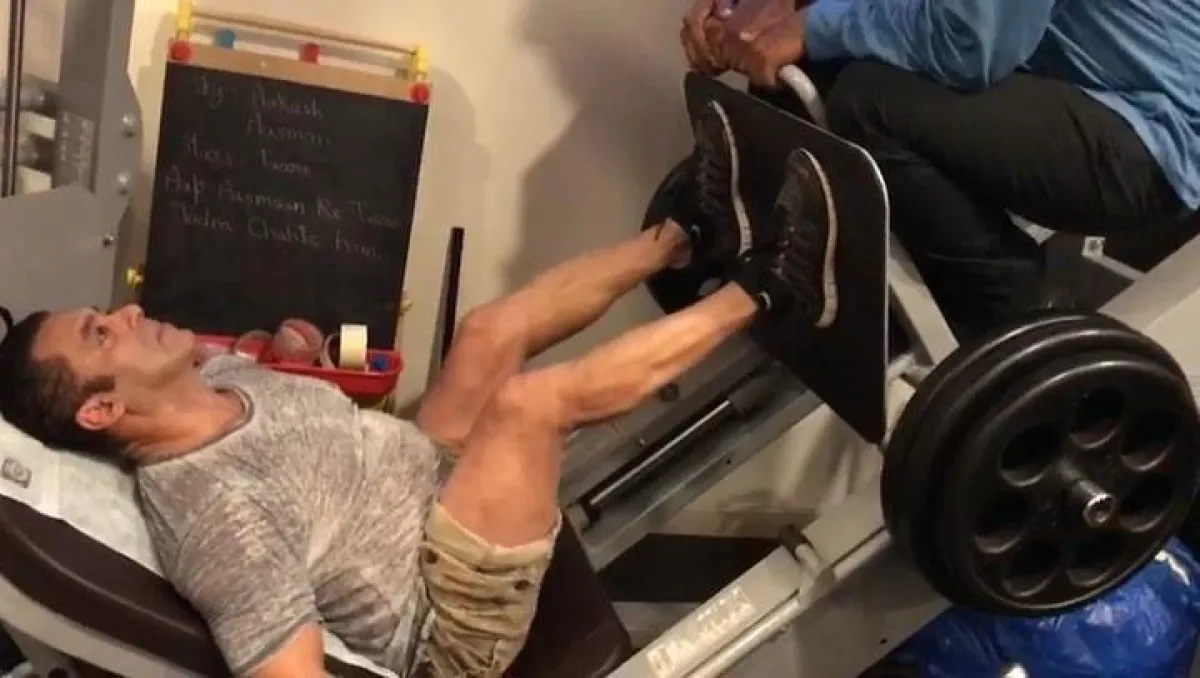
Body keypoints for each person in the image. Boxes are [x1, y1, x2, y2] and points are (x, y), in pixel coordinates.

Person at [0, 110, 836, 676]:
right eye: (101, 334)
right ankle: (773, 289)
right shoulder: (216, 524)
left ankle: (688, 234)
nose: (128, 312)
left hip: (423, 477)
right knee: (526, 407)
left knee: (485, 332)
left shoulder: (210, 377)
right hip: (450, 616)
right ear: (102, 410)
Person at [681, 0, 1200, 338]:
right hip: (1068, 86)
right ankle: (794, 261)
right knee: (815, 68)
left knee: (870, 102)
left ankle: (1019, 322)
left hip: (1153, 131)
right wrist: (747, 13)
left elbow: (969, 44)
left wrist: (807, 26)